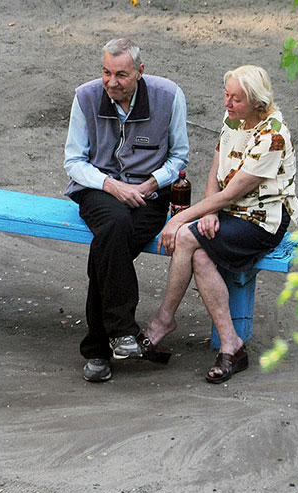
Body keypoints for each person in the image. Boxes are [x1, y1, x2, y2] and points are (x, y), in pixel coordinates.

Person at [142, 65, 298, 383]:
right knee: (201, 256)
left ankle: (162, 322)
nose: (227, 103)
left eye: (236, 99)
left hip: (261, 219)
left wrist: (180, 219)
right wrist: (209, 213)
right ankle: (232, 345)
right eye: (226, 95)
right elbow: (216, 175)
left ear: (257, 102)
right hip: (229, 211)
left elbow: (232, 192)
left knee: (186, 238)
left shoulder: (272, 136)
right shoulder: (233, 120)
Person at [64, 38, 189, 383]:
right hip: (97, 188)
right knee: (115, 224)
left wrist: (150, 184)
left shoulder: (169, 96)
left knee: (106, 249)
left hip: (150, 193)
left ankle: (97, 350)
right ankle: (122, 331)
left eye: (121, 75)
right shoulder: (85, 97)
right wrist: (110, 185)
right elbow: (74, 161)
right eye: (106, 72)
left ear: (140, 72)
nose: (111, 82)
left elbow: (179, 156)